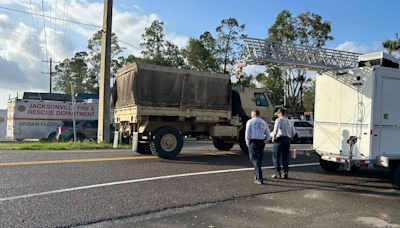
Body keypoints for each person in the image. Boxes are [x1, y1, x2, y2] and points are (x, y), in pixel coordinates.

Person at [245, 110, 270, 185]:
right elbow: (268, 134)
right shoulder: (264, 122)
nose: (251, 115)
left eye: (251, 114)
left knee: (254, 159)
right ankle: (257, 174)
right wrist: (265, 141)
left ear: (254, 114)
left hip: (253, 142)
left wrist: (247, 142)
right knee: (259, 159)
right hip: (261, 142)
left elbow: (247, 133)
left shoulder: (250, 122)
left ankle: (259, 178)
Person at [271, 108, 296, 179]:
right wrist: (289, 136)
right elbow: (293, 132)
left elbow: (276, 130)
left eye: (278, 114)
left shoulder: (278, 120)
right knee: (285, 157)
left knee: (276, 157)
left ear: (280, 113)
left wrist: (273, 138)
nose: (277, 115)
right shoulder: (289, 121)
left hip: (279, 139)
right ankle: (285, 173)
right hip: (287, 140)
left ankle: (277, 172)